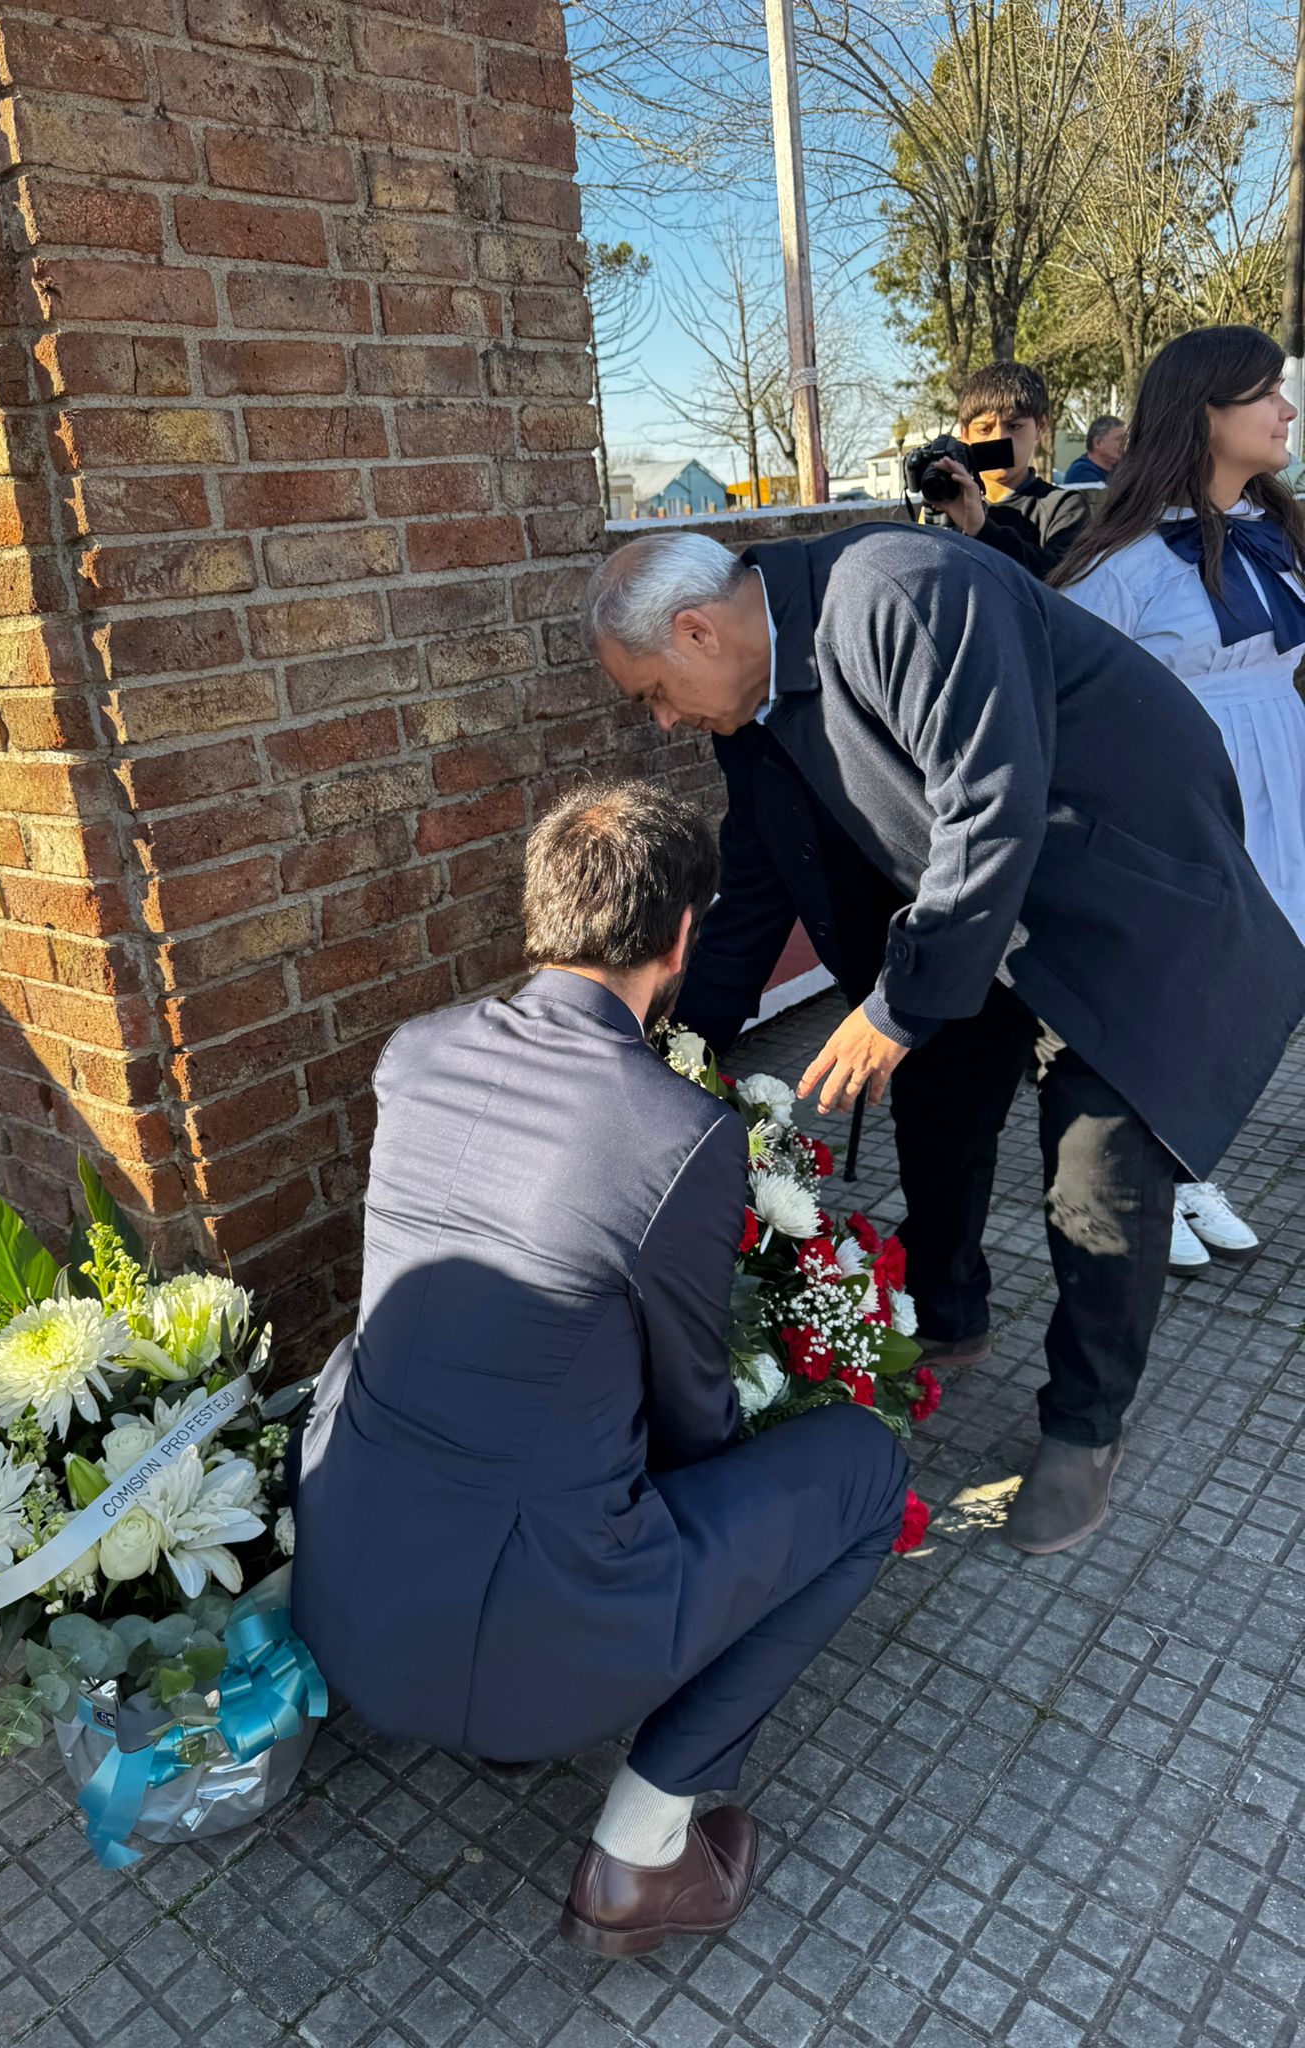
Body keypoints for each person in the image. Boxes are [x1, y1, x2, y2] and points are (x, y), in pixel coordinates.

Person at [584, 528, 1305, 1558]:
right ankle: (951, 1310)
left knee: (1101, 1169)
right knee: (936, 1101)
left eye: (651, 689)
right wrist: (683, 1056)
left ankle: (1085, 1426)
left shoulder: (901, 592)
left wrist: (894, 1007)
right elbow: (753, 880)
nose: (659, 716)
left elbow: (991, 803)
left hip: (1119, 891)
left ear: (696, 629)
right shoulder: (750, 704)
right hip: (982, 912)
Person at [292, 781, 907, 1958]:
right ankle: (642, 1844)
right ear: (684, 936)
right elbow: (689, 1412)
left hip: (346, 1596)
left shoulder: (412, 1054)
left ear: (539, 914)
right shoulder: (678, 1131)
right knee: (865, 1470)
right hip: (520, 1652)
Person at [1053, 325, 1305, 1274]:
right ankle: (1168, 1168)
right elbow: (1064, 696)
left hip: (1282, 766)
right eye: (1267, 394)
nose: (1287, 411)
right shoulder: (1122, 562)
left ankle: (1192, 1152)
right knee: (1195, 984)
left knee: (1267, 978)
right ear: (1206, 411)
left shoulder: (1276, 534)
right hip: (1189, 791)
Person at [930, 361, 1091, 577]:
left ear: (1041, 428)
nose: (1000, 438)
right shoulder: (946, 502)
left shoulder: (1063, 508)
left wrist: (981, 530)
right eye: (985, 429)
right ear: (966, 434)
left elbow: (1060, 582)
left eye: (1014, 426)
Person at [1063, 414, 1126, 486]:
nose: (1124, 443)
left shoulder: (1120, 469)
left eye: (1125, 439)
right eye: (1119, 439)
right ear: (1098, 443)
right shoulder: (1081, 473)